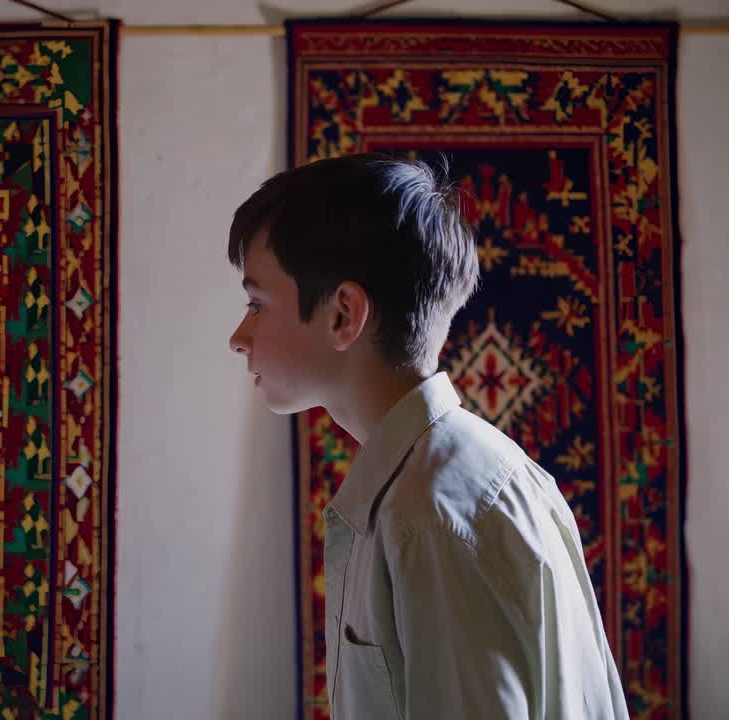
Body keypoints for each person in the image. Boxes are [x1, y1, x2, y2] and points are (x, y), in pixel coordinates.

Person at [227, 154, 629, 719]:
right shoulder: (430, 484)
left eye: (256, 303)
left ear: (344, 314)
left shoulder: (433, 514)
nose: (238, 337)